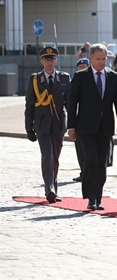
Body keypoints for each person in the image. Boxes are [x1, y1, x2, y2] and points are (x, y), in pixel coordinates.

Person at [67, 43, 117, 211]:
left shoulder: (113, 76)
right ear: (90, 58)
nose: (101, 62)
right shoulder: (80, 76)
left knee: (101, 163)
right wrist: (71, 126)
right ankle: (89, 196)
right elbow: (73, 104)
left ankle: (97, 198)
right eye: (98, 59)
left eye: (104, 59)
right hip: (85, 127)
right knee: (90, 160)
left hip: (105, 127)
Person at [24, 46, 70, 203]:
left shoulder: (64, 78)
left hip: (58, 124)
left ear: (56, 60)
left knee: (55, 158)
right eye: (46, 59)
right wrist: (28, 128)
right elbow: (29, 104)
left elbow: (69, 104)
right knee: (47, 156)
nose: (49, 62)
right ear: (41, 61)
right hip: (42, 125)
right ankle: (49, 188)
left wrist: (73, 125)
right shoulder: (35, 79)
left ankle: (53, 188)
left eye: (52, 59)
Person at [72, 58, 90, 182]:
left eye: (85, 65)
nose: (82, 67)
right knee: (80, 150)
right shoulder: (76, 79)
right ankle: (83, 171)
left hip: (92, 121)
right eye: (80, 66)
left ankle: (89, 172)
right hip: (79, 121)